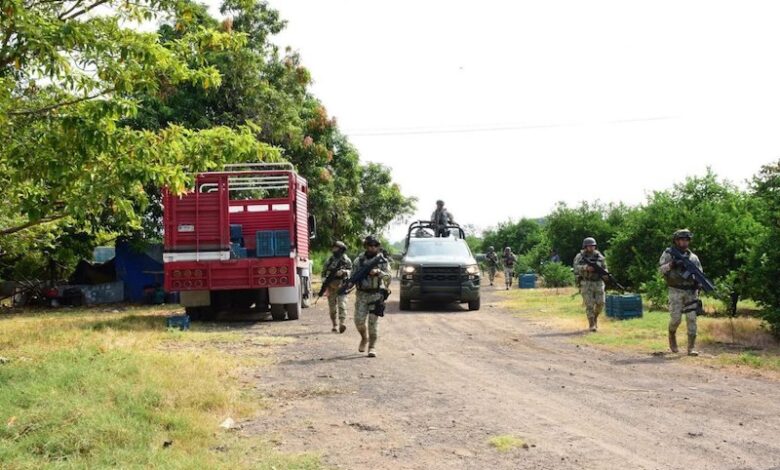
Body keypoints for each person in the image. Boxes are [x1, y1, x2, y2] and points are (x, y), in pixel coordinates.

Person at [659, 229, 703, 356]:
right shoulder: (668, 254)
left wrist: (698, 284)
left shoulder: (694, 258)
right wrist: (672, 264)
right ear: (676, 241)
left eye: (686, 240)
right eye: (682, 240)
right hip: (675, 290)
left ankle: (691, 348)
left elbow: (700, 274)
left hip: (691, 291)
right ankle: (672, 335)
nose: (684, 242)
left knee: (692, 319)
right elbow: (661, 270)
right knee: (676, 319)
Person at [352, 236, 392, 358]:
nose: (373, 248)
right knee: (358, 321)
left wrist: (379, 273)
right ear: (366, 246)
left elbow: (388, 278)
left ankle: (372, 347)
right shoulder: (358, 261)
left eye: (375, 245)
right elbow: (353, 275)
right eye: (370, 245)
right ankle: (364, 338)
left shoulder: (382, 261)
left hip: (376, 294)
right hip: (361, 295)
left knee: (373, 323)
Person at [573, 237, 606, 332]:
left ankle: (595, 317)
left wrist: (606, 274)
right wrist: (585, 267)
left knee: (601, 303)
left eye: (593, 245)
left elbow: (604, 267)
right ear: (585, 246)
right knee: (589, 304)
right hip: (586, 282)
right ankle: (591, 324)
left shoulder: (599, 255)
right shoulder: (580, 256)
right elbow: (576, 268)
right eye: (589, 246)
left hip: (598, 282)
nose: (591, 247)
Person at [322, 241, 352, 333]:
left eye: (336, 248)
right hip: (331, 286)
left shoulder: (346, 260)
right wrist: (325, 283)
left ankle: (342, 323)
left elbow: (351, 271)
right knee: (332, 308)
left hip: (342, 286)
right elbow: (323, 272)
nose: (334, 249)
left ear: (341, 249)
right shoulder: (329, 260)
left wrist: (344, 272)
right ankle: (334, 324)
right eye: (333, 248)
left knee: (342, 305)